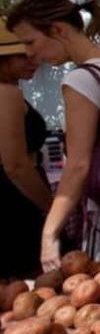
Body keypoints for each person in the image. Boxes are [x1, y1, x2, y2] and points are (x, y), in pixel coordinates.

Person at [7, 0, 100, 271]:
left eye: (30, 42)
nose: (29, 53)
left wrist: (50, 231)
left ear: (58, 30)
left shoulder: (80, 80)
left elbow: (78, 165)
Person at [0, 20, 52, 278]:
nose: (34, 59)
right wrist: (50, 206)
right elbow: (16, 165)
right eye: (22, 55)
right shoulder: (6, 93)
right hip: (15, 202)